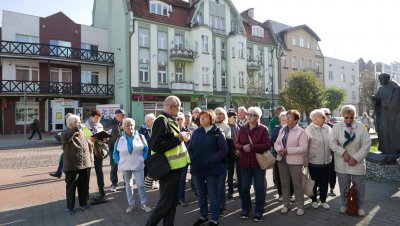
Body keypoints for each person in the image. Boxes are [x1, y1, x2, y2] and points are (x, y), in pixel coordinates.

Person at [146, 96, 190, 226]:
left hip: (174, 169)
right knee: (165, 203)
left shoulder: (170, 120)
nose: (180, 109)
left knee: (172, 203)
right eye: (179, 106)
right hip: (168, 170)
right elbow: (156, 145)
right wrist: (178, 139)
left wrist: (181, 137)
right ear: (172, 107)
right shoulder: (161, 120)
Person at [329, 105, 371, 216]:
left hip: (357, 163)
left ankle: (360, 206)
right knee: (343, 186)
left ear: (354, 116)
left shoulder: (361, 127)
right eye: (346, 117)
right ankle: (344, 204)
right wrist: (343, 153)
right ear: (342, 116)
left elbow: (367, 144)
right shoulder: (337, 127)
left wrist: (356, 158)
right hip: (342, 162)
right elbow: (332, 142)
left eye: (351, 117)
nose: (349, 120)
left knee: (360, 186)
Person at [188, 110, 228, 226]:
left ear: (211, 119)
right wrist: (193, 159)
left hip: (213, 169)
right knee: (201, 194)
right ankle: (203, 216)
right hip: (197, 169)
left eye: (205, 117)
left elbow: (224, 150)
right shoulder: (196, 132)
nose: (202, 119)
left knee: (213, 194)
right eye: (201, 117)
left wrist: (210, 160)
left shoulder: (217, 132)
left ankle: (215, 219)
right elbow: (189, 148)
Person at [236, 107, 270, 222]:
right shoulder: (242, 129)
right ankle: (246, 209)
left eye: (252, 115)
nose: (249, 116)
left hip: (258, 164)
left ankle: (259, 210)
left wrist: (251, 147)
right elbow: (237, 143)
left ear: (257, 117)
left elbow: (266, 145)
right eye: (248, 114)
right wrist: (241, 147)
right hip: (244, 163)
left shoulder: (263, 129)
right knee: (244, 187)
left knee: (259, 188)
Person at [113, 118, 152, 214]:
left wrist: (142, 159)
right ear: (123, 127)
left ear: (134, 126)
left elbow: (146, 150)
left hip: (138, 165)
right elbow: (115, 153)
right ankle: (131, 204)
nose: (129, 127)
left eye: (131, 125)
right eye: (127, 125)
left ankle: (144, 204)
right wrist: (119, 162)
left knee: (141, 185)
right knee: (128, 186)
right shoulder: (119, 139)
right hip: (125, 166)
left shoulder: (140, 137)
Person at [274, 110, 308, 216]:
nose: (286, 119)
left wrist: (288, 150)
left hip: (295, 162)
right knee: (284, 184)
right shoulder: (283, 129)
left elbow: (303, 148)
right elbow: (277, 142)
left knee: (297, 185)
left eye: (289, 117)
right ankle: (286, 204)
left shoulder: (301, 132)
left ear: (296, 120)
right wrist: (279, 149)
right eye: (286, 117)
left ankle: (300, 206)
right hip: (282, 160)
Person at [61, 114, 92, 215]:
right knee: (71, 187)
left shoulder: (82, 130)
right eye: (78, 122)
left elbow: (90, 137)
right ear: (71, 124)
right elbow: (65, 139)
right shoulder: (66, 132)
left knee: (83, 186)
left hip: (84, 163)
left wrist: (91, 141)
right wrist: (74, 129)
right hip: (72, 165)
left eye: (79, 122)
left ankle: (83, 204)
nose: (80, 123)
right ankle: (70, 207)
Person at [305, 109, 332, 210]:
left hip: (327, 160)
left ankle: (323, 200)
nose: (325, 118)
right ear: (316, 119)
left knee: (325, 182)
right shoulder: (309, 129)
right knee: (314, 182)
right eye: (323, 117)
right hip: (314, 161)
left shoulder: (328, 128)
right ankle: (314, 200)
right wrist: (306, 161)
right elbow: (305, 146)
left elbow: (333, 142)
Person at [82, 109, 109, 200]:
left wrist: (104, 140)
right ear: (91, 117)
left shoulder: (100, 126)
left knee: (99, 171)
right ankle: (86, 193)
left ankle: (101, 190)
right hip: (88, 150)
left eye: (99, 118)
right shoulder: (85, 126)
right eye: (96, 118)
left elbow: (101, 141)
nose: (97, 120)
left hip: (97, 150)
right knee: (87, 172)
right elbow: (84, 139)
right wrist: (91, 140)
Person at [372, 73, 400, 154]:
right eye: (379, 80)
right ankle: (384, 149)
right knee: (383, 132)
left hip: (393, 116)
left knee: (394, 133)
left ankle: (395, 149)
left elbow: (395, 103)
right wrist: (375, 100)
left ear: (387, 79)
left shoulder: (395, 88)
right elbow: (378, 101)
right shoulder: (381, 88)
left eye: (381, 80)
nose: (380, 82)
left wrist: (382, 103)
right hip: (383, 116)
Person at [270, 111, 294, 201]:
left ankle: (291, 194)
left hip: (291, 156)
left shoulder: (292, 129)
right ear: (280, 120)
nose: (285, 121)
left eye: (286, 119)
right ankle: (281, 194)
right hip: (279, 156)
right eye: (283, 120)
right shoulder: (277, 129)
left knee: (291, 176)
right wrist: (280, 149)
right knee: (280, 176)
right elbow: (273, 141)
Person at [214, 107, 233, 216]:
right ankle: (214, 206)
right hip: (212, 161)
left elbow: (225, 146)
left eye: (221, 114)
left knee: (221, 186)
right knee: (213, 186)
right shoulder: (210, 126)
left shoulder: (226, 127)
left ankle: (222, 207)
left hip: (221, 161)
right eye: (216, 113)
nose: (218, 115)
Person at [105, 109, 126, 192]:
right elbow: (105, 135)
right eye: (122, 115)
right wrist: (107, 141)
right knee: (114, 167)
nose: (124, 117)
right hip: (113, 149)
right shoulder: (110, 123)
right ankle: (114, 184)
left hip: (124, 149)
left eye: (124, 115)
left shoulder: (125, 123)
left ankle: (126, 182)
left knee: (125, 167)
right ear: (117, 115)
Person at [50, 113, 73, 178]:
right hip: (67, 147)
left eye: (68, 117)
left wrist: (64, 145)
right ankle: (59, 172)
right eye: (66, 118)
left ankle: (61, 173)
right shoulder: (67, 125)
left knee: (64, 159)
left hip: (70, 147)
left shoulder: (71, 126)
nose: (67, 119)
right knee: (63, 158)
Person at [268, 106, 286, 188]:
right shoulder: (273, 122)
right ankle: (276, 182)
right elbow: (272, 137)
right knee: (276, 168)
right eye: (283, 111)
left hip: (286, 152)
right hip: (276, 151)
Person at [321, 108, 337, 196]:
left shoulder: (332, 126)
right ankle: (321, 188)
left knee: (332, 171)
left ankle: (332, 188)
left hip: (332, 152)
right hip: (320, 154)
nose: (329, 115)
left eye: (329, 114)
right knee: (322, 172)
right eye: (326, 114)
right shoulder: (315, 126)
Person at [139, 113, 156, 190]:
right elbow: (140, 140)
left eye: (153, 119)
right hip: (146, 152)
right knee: (145, 168)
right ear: (147, 121)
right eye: (152, 120)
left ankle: (154, 182)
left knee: (154, 168)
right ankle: (144, 183)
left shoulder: (156, 128)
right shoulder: (142, 129)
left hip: (154, 151)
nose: (153, 121)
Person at [227, 111, 240, 198]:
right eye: (234, 117)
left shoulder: (238, 127)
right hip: (230, 153)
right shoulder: (226, 127)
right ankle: (230, 190)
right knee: (230, 173)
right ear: (228, 118)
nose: (236, 118)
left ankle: (240, 190)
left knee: (239, 173)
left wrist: (239, 149)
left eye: (236, 117)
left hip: (239, 152)